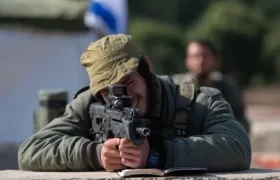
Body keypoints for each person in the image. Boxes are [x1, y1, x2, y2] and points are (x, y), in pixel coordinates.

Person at [18, 34, 251, 172]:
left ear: (147, 68)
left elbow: (237, 147)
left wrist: (158, 154)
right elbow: (30, 150)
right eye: (109, 90)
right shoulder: (89, 102)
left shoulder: (201, 101)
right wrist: (96, 154)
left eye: (127, 81)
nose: (122, 96)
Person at [172, 39, 251, 134]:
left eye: (205, 56)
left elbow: (242, 122)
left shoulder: (226, 87)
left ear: (215, 60)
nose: (200, 61)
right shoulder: (175, 85)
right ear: (187, 60)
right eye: (195, 56)